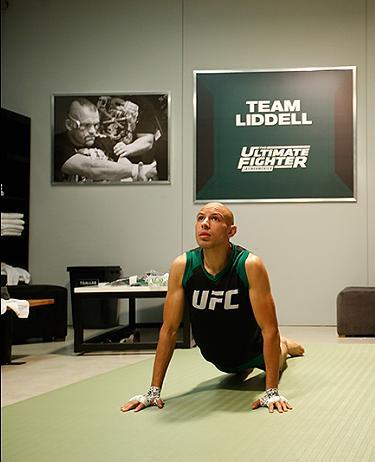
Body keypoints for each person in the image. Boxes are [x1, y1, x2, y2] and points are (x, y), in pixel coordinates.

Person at [121, 203, 304, 414]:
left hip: (254, 352)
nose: (205, 224)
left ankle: (285, 346)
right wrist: (153, 392)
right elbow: (169, 329)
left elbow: (269, 329)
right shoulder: (183, 265)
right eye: (200, 218)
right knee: (235, 373)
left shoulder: (249, 265)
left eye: (215, 219)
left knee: (278, 353)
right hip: (217, 358)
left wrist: (271, 391)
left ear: (231, 231)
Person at [54, 98, 158, 182]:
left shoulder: (104, 141)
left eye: (95, 125)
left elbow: (123, 165)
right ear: (69, 125)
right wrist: (136, 170)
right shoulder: (57, 145)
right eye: (86, 125)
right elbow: (91, 168)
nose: (92, 131)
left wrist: (141, 173)